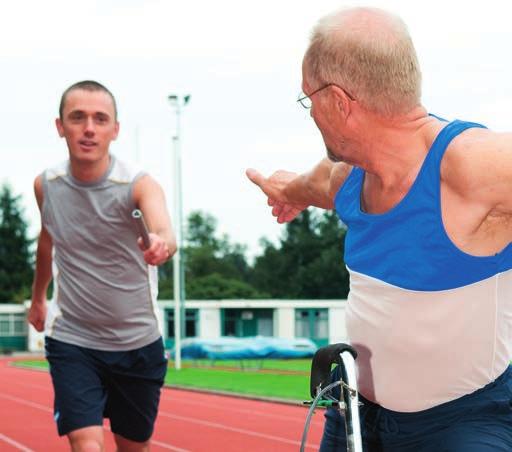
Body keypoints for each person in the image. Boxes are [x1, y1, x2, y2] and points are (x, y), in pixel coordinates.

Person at [247, 6, 512, 452]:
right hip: (355, 415)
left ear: (339, 102)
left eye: (308, 99)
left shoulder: (470, 165)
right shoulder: (347, 177)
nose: (310, 113)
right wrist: (286, 191)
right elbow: (308, 185)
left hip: (463, 423)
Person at [28, 80, 176, 452]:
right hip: (74, 340)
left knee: (132, 447)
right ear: (60, 126)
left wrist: (161, 244)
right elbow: (47, 242)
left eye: (100, 119)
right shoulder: (47, 185)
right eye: (77, 118)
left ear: (115, 129)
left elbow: (164, 230)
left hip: (138, 342)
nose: (89, 128)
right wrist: (37, 299)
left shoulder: (138, 185)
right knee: (86, 443)